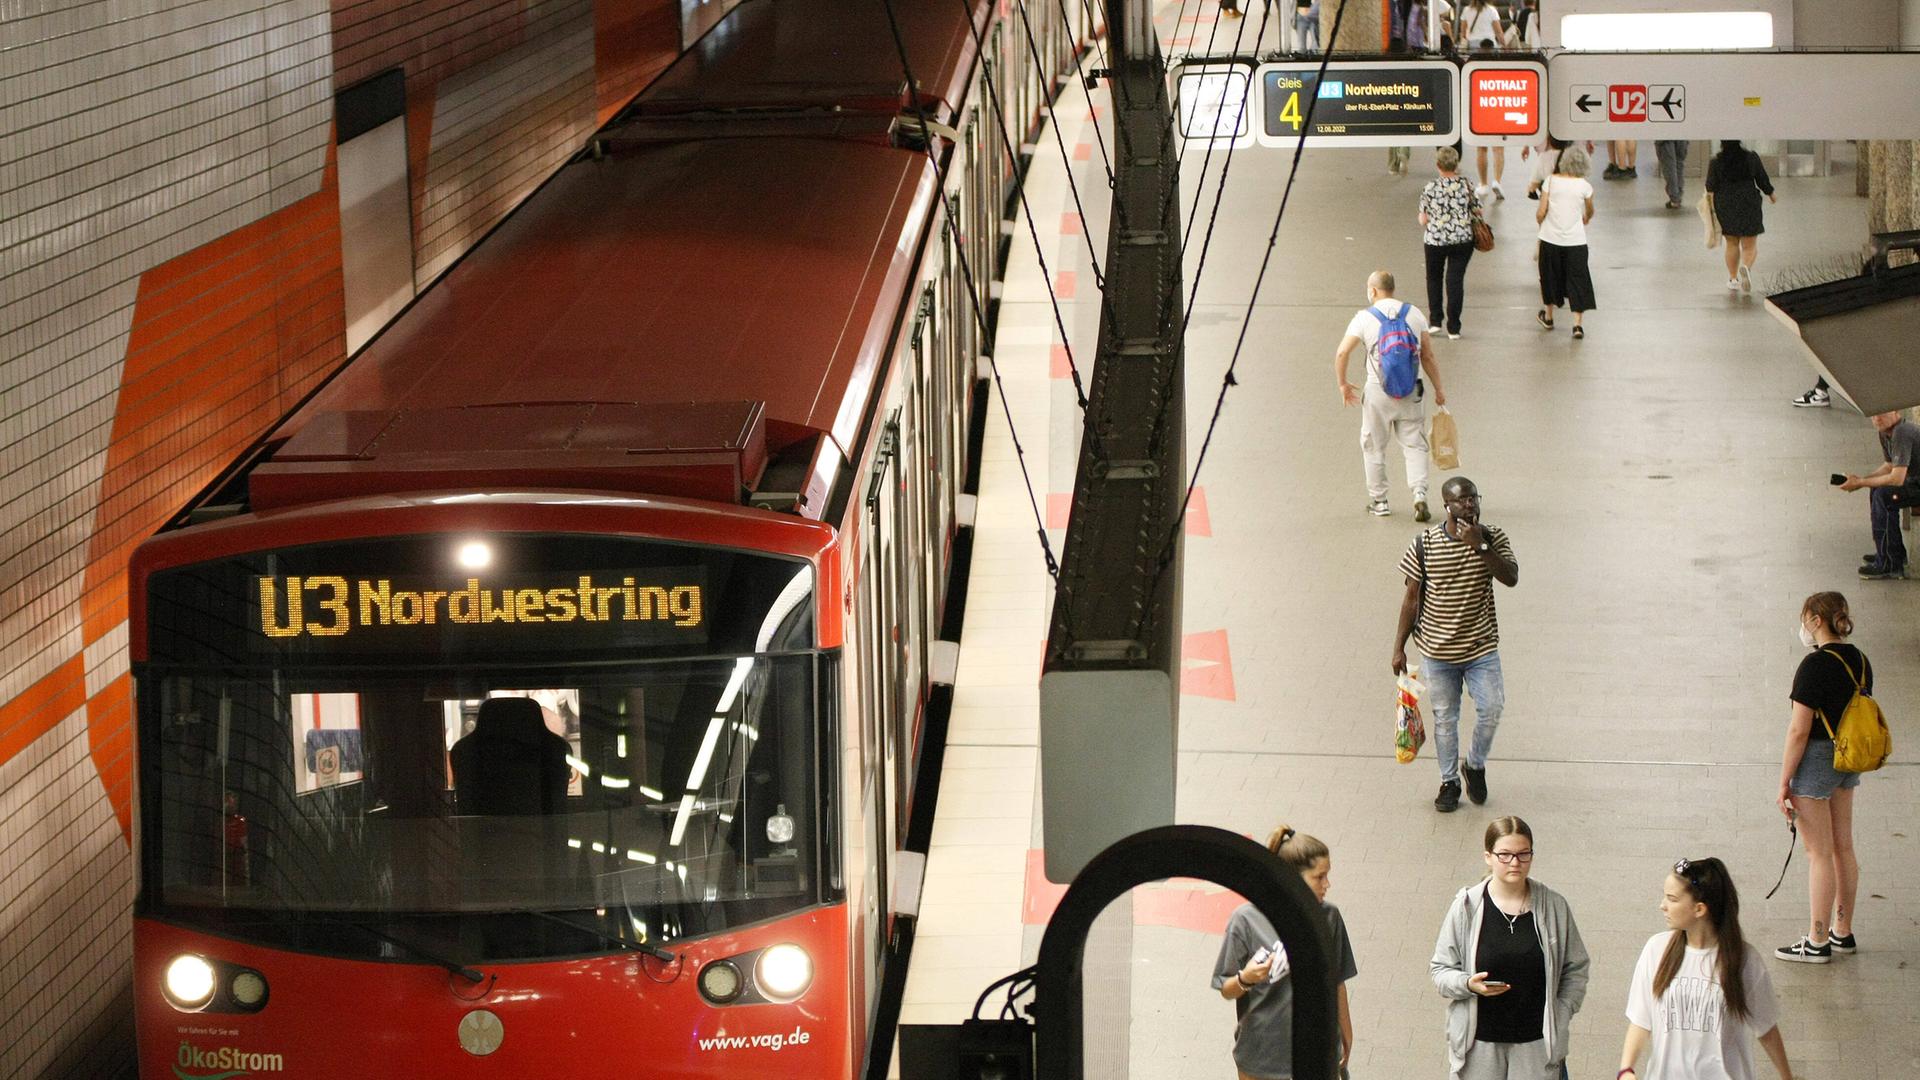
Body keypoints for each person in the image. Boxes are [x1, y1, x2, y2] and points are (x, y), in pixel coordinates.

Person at [1392, 476, 1518, 811]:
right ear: (1446, 505)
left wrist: (1481, 545)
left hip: (1481, 648)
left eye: (1473, 498)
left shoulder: (1492, 536)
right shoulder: (1425, 543)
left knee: (1492, 708)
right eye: (1461, 500)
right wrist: (1398, 647)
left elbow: (1510, 578)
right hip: (1437, 652)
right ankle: (1449, 782)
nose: (1469, 505)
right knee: (1445, 719)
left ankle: (1474, 765)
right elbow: (1411, 599)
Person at [1432, 817, 1589, 1080]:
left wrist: (1562, 1011)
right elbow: (1440, 970)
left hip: (1536, 1045)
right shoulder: (1466, 907)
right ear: (1488, 857)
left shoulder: (1554, 907)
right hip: (1479, 1045)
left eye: (1523, 854)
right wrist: (1467, 984)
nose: (1515, 862)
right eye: (1504, 855)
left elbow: (1576, 967)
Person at [1617, 858, 1794, 1080]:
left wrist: (1786, 1076)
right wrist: (1626, 1070)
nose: (1662, 905)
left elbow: (1766, 1028)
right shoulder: (1656, 950)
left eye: (1672, 899)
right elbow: (1641, 1020)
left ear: (1699, 909)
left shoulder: (1745, 961)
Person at [1213, 825, 1360, 1079]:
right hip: (1261, 1057)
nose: (1327, 884)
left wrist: (1345, 1031)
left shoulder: (1330, 917)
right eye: (1319, 877)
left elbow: (1336, 980)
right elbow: (1226, 988)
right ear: (1291, 877)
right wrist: (1245, 978)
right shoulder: (1246, 920)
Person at [1774, 592, 1868, 964]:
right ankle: (1842, 932)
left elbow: (1799, 730)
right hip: (1848, 758)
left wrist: (1784, 781)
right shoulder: (1860, 660)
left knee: (1819, 854)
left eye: (1804, 619)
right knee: (1843, 847)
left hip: (1815, 760)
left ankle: (1816, 940)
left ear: (1815, 620)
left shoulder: (1813, 666)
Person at [1335, 271, 1448, 518]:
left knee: (1373, 445)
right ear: (1393, 289)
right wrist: (1439, 389)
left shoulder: (1364, 318)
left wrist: (1343, 384)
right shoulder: (1414, 313)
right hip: (1412, 389)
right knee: (1414, 443)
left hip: (1378, 391)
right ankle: (1419, 494)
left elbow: (1342, 353)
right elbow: (1427, 355)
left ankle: (1380, 502)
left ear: (1372, 290)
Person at [1838, 409, 1920, 579]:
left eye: (1881, 414)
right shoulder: (1885, 433)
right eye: (1873, 415)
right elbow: (1889, 466)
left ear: (1895, 412)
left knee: (1884, 496)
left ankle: (1890, 563)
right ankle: (1890, 552)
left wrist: (1860, 482)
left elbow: (1896, 479)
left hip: (1915, 484)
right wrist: (1861, 480)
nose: (1877, 419)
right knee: (1877, 489)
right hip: (1913, 482)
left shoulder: (1903, 432)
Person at [1421, 147, 1484, 339]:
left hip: (1435, 240)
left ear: (1438, 165)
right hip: (1462, 239)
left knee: (1434, 278)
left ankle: (1435, 321)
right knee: (1455, 280)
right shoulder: (1466, 185)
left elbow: (1423, 219)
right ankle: (1454, 327)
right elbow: (1478, 211)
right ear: (1456, 164)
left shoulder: (1430, 188)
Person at [1534, 145, 1596, 339]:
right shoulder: (1585, 186)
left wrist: (1540, 221)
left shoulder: (1550, 182)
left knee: (1549, 276)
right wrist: (1585, 218)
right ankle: (1577, 325)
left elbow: (1541, 211)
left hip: (1550, 239)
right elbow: (1590, 210)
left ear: (1564, 162)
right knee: (1578, 279)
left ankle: (1549, 316)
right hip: (1576, 241)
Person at [1705, 140, 1777, 293]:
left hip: (1725, 203)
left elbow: (1710, 186)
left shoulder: (1716, 162)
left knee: (1731, 243)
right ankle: (1746, 268)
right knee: (1749, 245)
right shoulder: (1751, 158)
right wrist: (1771, 194)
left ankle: (1732, 279)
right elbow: (1762, 178)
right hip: (1748, 201)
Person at [1654, 139, 1688, 209]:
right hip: (1683, 133)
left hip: (1665, 135)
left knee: (1669, 166)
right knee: (1679, 164)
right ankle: (1678, 194)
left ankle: (1675, 198)